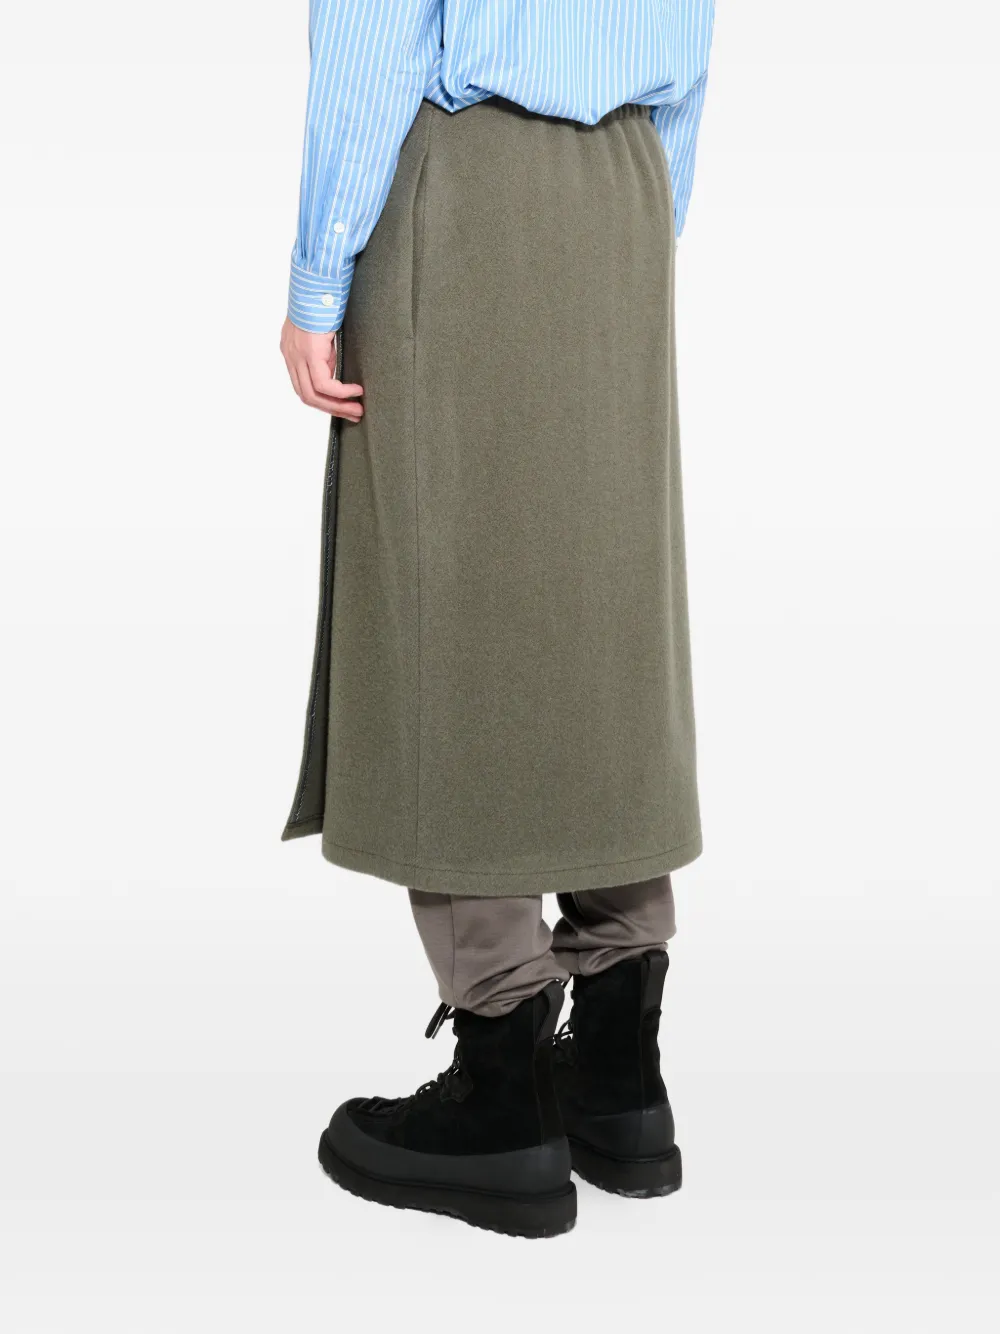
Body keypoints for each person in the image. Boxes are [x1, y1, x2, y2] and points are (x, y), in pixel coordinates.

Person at [279, 1, 715, 1238]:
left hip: (466, 185)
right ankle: (619, 1076)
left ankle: (501, 1093)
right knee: (605, 609)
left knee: (451, 608)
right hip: (626, 182)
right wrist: (649, 226)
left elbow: (376, 35)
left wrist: (319, 275)